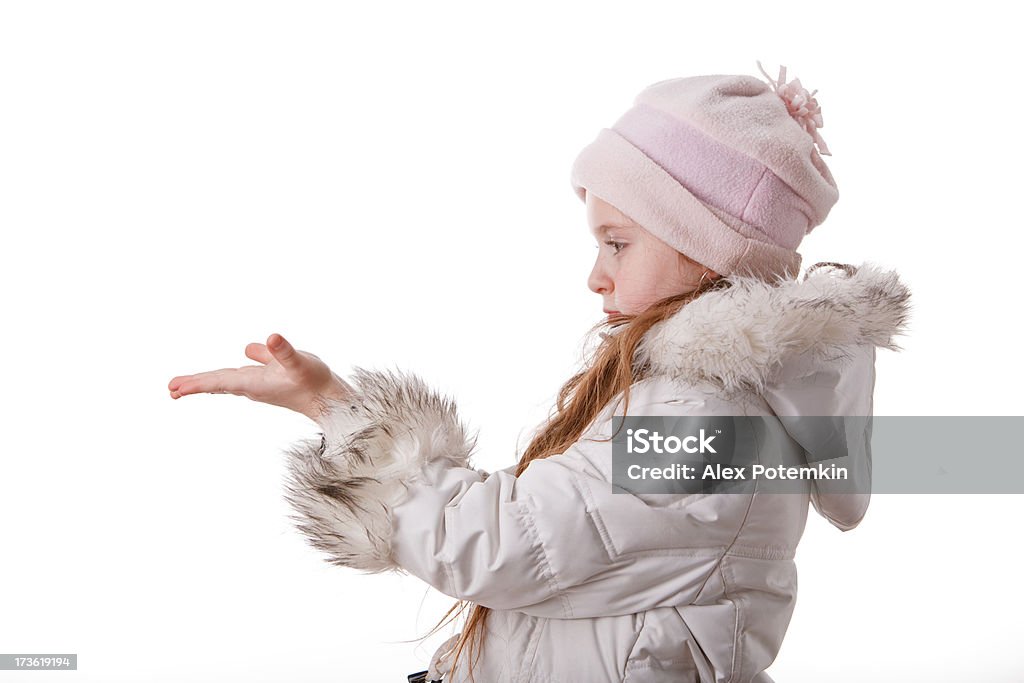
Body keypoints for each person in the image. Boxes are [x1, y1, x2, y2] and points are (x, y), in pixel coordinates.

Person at [168, 62, 912, 682]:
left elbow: (513, 541)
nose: (596, 275)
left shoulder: (701, 421)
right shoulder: (712, 402)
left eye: (617, 243)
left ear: (711, 246)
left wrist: (333, 408)